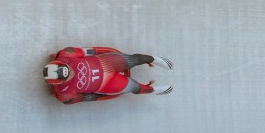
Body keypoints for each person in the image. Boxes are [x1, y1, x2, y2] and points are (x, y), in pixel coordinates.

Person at [43, 46, 173, 104]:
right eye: (68, 75)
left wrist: (103, 52)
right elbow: (88, 98)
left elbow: (90, 50)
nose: (72, 71)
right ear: (60, 83)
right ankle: (152, 90)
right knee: (134, 87)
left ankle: (154, 59)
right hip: (107, 84)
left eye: (68, 68)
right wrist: (100, 95)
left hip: (107, 63)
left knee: (135, 59)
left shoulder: (67, 54)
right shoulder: (65, 95)